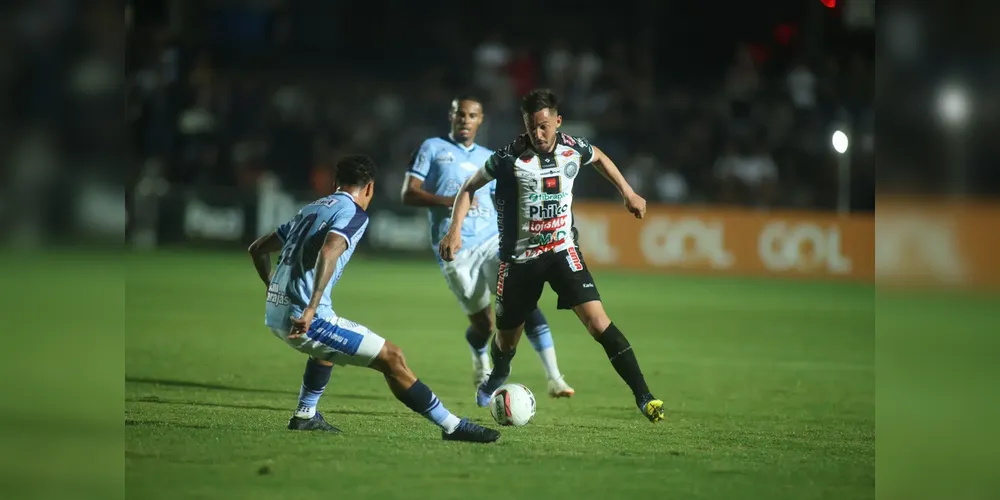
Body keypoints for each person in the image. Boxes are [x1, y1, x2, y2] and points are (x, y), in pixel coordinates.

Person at [439, 89, 665, 424]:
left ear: (558, 122)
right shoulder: (508, 158)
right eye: (532, 127)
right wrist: (454, 230)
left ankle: (644, 396)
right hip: (519, 260)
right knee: (507, 340)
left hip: (562, 251)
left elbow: (599, 157)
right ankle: (498, 376)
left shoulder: (574, 148)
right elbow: (469, 187)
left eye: (544, 126)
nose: (538, 134)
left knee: (598, 322)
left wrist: (628, 192)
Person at [248, 154, 500, 443]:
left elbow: (257, 249)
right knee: (392, 358)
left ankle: (305, 415)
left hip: (276, 313)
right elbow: (329, 252)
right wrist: (310, 308)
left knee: (327, 351)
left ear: (334, 183)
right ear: (370, 188)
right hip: (304, 318)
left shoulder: (312, 208)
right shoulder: (353, 213)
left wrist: (272, 286)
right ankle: (453, 426)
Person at [400, 95, 575, 397]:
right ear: (451, 116)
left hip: (492, 243)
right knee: (484, 325)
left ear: (480, 120)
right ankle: (478, 351)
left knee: (524, 304)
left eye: (472, 115)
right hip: (455, 249)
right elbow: (408, 194)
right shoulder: (432, 148)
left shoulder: (490, 156)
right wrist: (451, 202)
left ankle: (555, 378)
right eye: (460, 115)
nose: (465, 120)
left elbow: (507, 197)